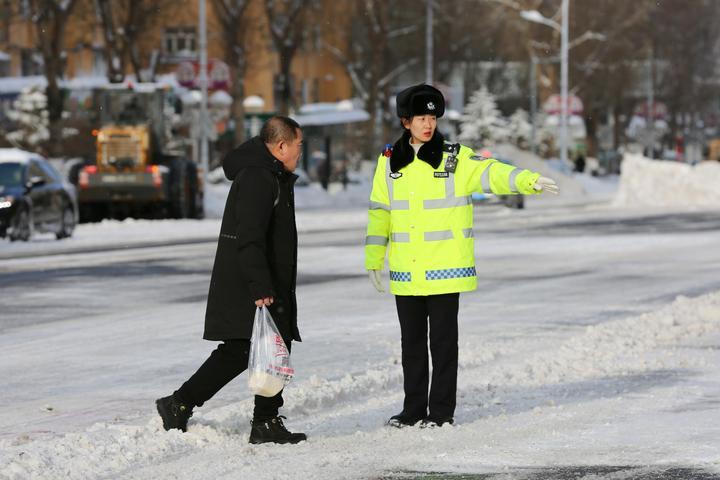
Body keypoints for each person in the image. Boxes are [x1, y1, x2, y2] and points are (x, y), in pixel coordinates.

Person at [365, 84, 558, 428]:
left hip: (445, 269)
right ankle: (412, 411)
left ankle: (440, 413)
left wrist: (528, 180)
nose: (428, 124)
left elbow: (492, 172)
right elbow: (380, 210)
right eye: (421, 118)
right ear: (405, 121)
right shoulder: (389, 161)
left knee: (442, 345)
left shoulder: (454, 157)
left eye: (433, 117)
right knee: (410, 346)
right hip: (406, 272)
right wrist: (373, 256)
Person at [156, 116, 306, 444]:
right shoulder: (258, 177)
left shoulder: (272, 174)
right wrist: (260, 284)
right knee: (245, 348)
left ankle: (262, 421)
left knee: (268, 346)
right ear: (281, 147)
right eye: (298, 145)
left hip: (264, 277)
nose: (300, 152)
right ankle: (179, 403)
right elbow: (249, 236)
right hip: (252, 280)